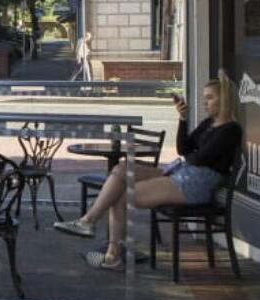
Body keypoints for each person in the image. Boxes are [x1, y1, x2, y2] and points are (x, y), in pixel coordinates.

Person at [54, 72, 242, 270]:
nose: (205, 103)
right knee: (121, 169)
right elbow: (184, 149)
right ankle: (88, 222)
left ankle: (111, 254)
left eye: (210, 98)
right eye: (204, 98)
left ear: (225, 100)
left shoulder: (231, 129)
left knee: (122, 195)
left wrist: (191, 157)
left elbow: (201, 158)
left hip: (197, 183)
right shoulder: (208, 124)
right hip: (184, 170)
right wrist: (183, 119)